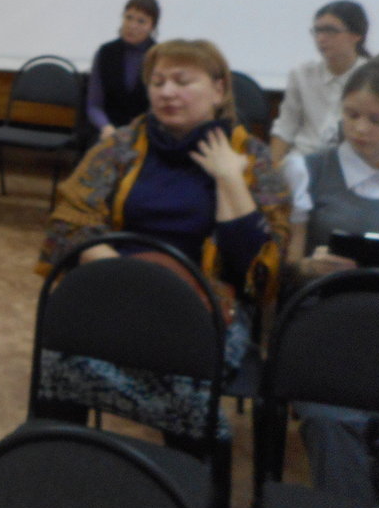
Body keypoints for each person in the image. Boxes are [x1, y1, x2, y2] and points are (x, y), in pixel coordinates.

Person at [38, 39, 291, 441]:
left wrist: (229, 178)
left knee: (181, 374)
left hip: (204, 301)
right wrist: (133, 279)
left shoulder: (250, 158)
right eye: (157, 82)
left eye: (182, 81)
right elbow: (69, 221)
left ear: (219, 90)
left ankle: (184, 470)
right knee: (61, 350)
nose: (167, 92)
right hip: (117, 287)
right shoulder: (122, 145)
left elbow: (258, 273)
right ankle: (63, 455)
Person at [279, 58, 379, 508]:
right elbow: (285, 265)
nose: (360, 129)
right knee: (332, 422)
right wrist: (309, 266)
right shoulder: (307, 169)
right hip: (329, 327)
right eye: (351, 115)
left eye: (378, 120)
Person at [271, 0, 371, 164]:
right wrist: (272, 168)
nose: (321, 38)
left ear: (356, 35)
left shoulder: (373, 77)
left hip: (349, 164)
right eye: (317, 31)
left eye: (330, 31)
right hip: (302, 161)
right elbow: (285, 127)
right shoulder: (302, 74)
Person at [85, 0, 160, 141]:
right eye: (128, 17)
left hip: (146, 133)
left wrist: (140, 130)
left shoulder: (159, 56)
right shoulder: (106, 52)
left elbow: (160, 107)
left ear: (152, 27)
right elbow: (94, 105)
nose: (132, 25)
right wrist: (106, 127)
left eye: (141, 21)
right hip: (108, 131)